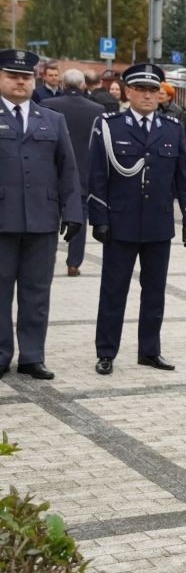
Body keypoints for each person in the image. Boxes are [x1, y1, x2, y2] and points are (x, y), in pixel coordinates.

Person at [88, 64, 186, 376]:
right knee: (113, 292)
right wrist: (99, 218)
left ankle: (149, 351)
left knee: (154, 292)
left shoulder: (172, 128)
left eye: (153, 90)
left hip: (158, 224)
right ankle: (106, 352)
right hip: (120, 224)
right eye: (141, 90)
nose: (149, 95)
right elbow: (97, 175)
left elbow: (183, 176)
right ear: (128, 92)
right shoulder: (110, 126)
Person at [0, 49, 82, 381]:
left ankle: (32, 356)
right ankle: (1, 353)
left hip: (42, 220)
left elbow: (68, 169)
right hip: (2, 221)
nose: (20, 82)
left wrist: (73, 212)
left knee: (36, 293)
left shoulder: (52, 119)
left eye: (25, 77)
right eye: (12, 76)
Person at [41, 68, 104, 277]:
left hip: (52, 170)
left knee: (50, 216)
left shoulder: (47, 104)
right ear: (83, 85)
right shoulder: (97, 109)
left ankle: (46, 259)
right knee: (79, 216)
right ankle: (74, 263)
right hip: (83, 171)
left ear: (63, 84)